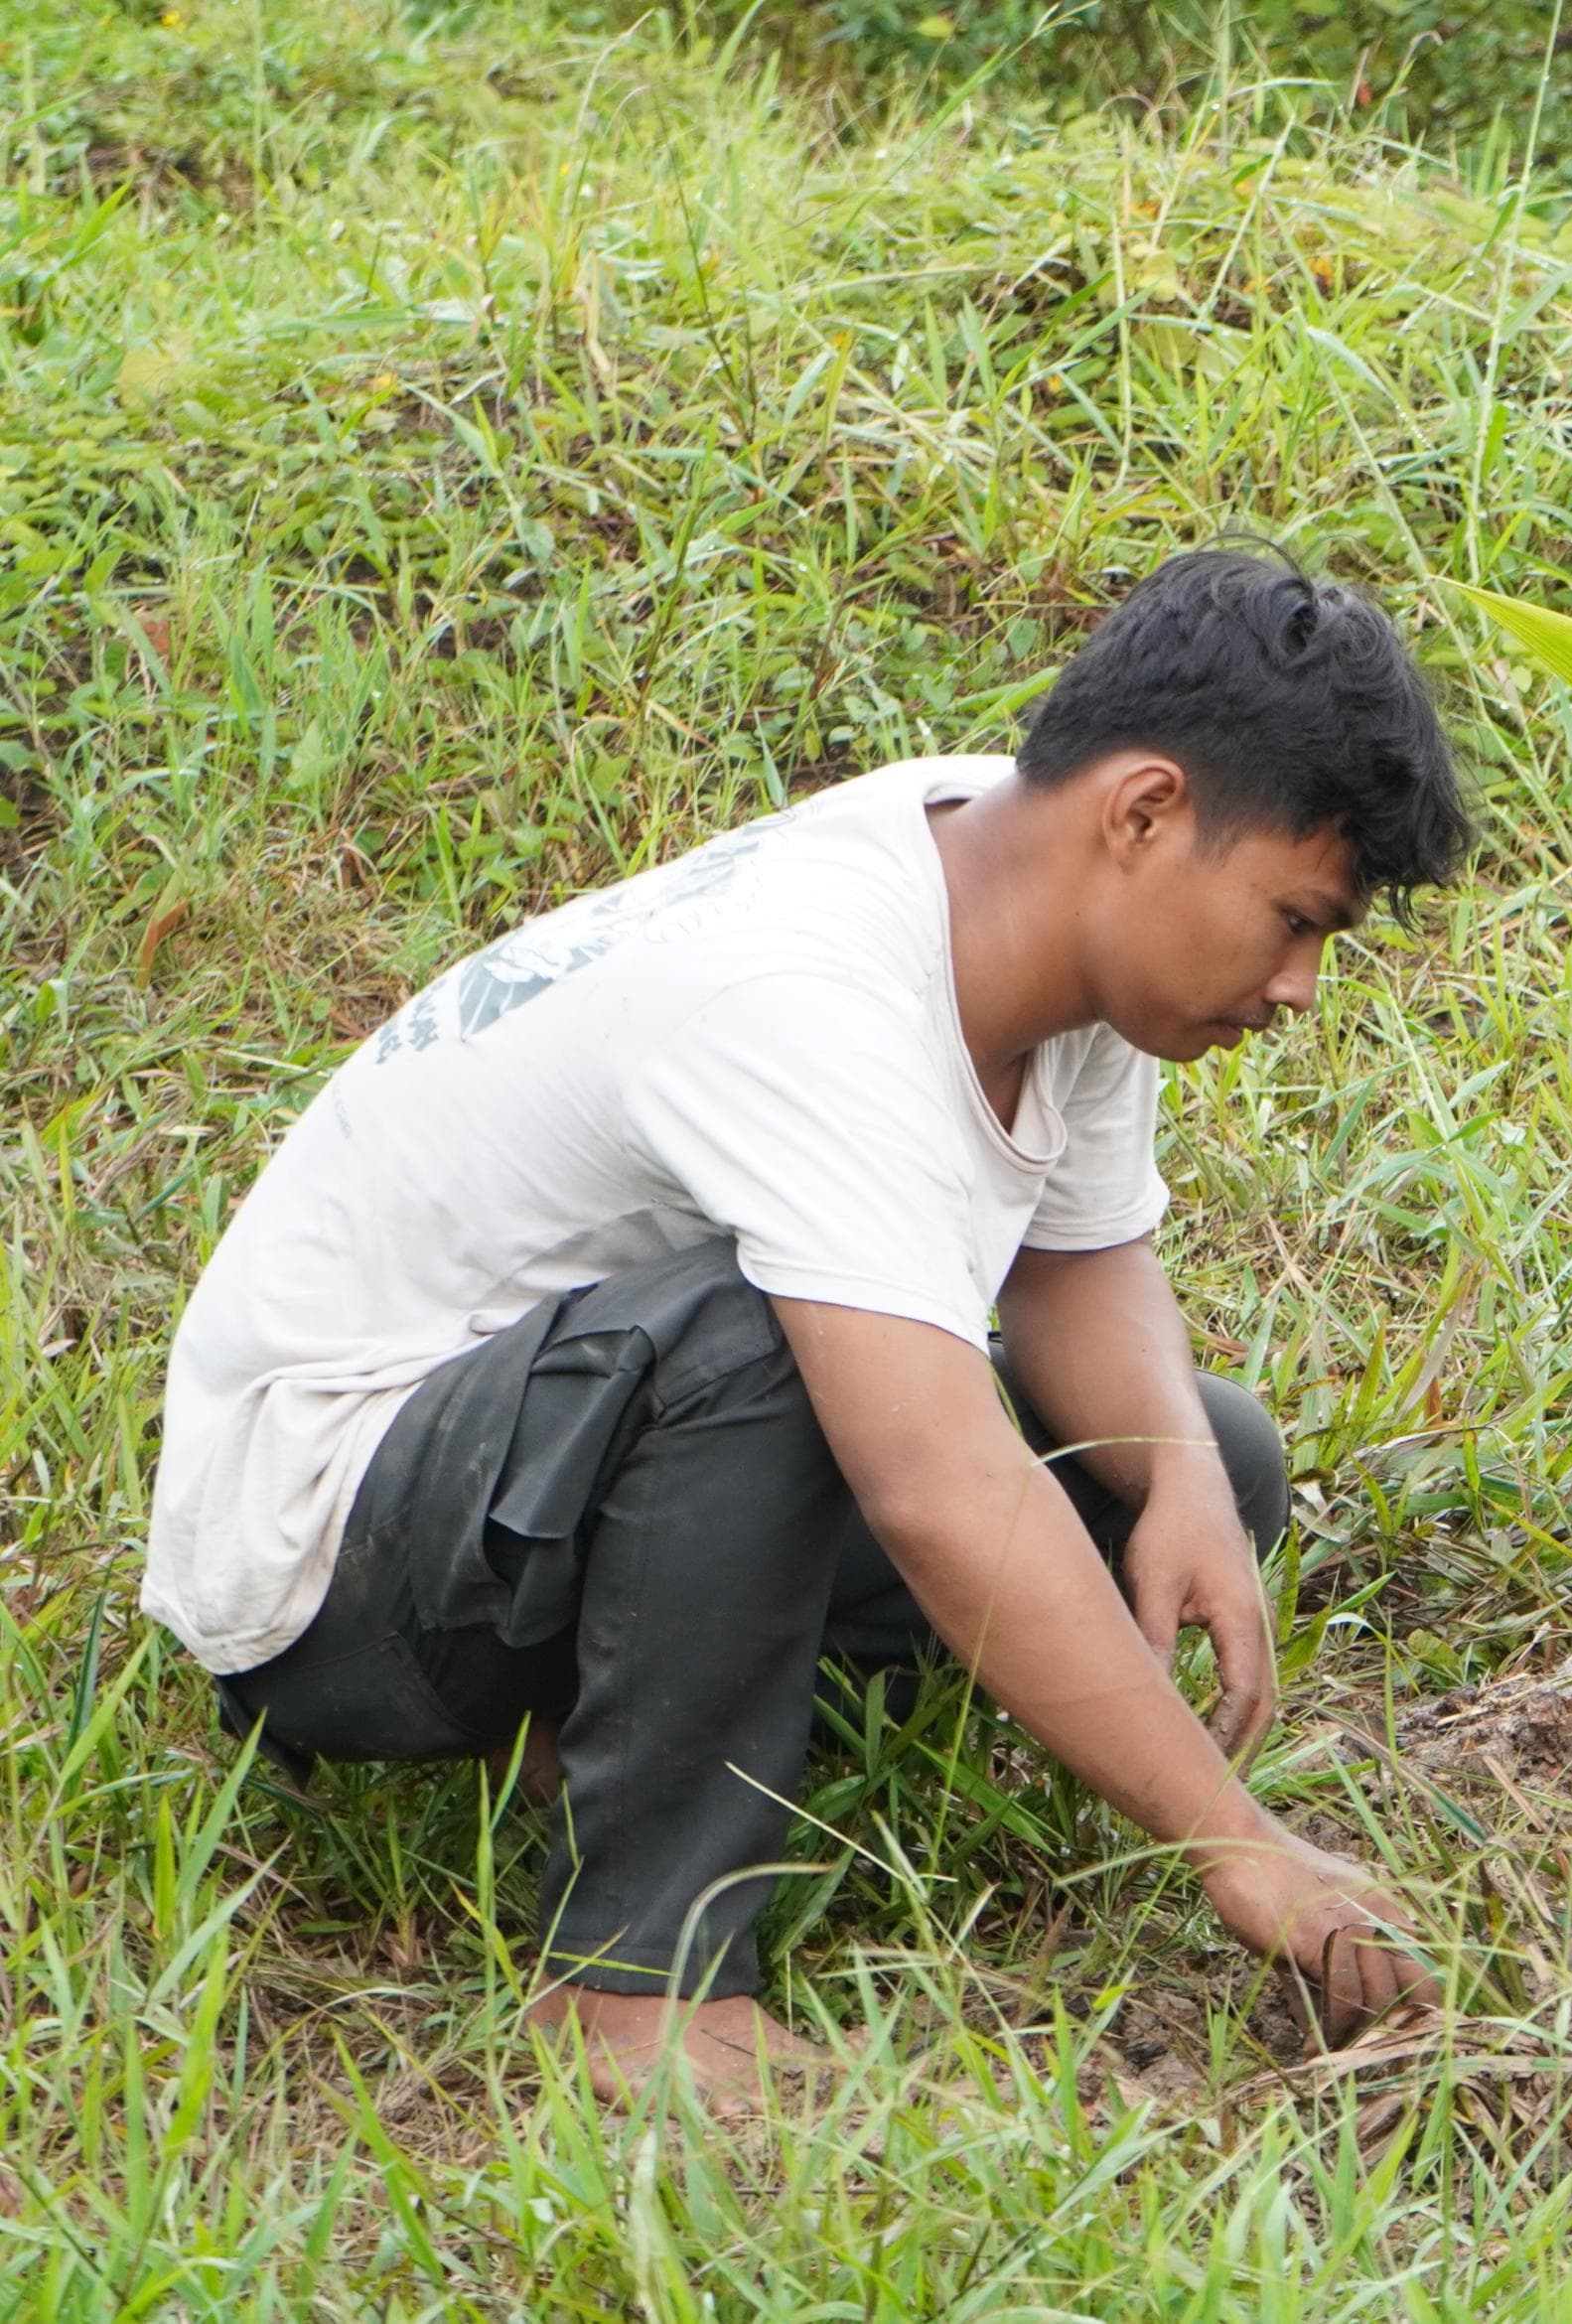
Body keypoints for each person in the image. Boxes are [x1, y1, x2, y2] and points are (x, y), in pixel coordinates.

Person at [144, 547, 1470, 2110]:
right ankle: (641, 1989)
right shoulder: (808, 991)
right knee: (771, 1343)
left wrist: (1177, 1476)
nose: (1300, 987)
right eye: (1294, 921)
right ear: (1145, 812)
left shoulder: (1034, 885)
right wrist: (1238, 1846)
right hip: (329, 1551)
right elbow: (931, 1479)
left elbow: (1075, 1261)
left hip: (561, 1470)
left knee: (1181, 1461)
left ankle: (635, 1709)